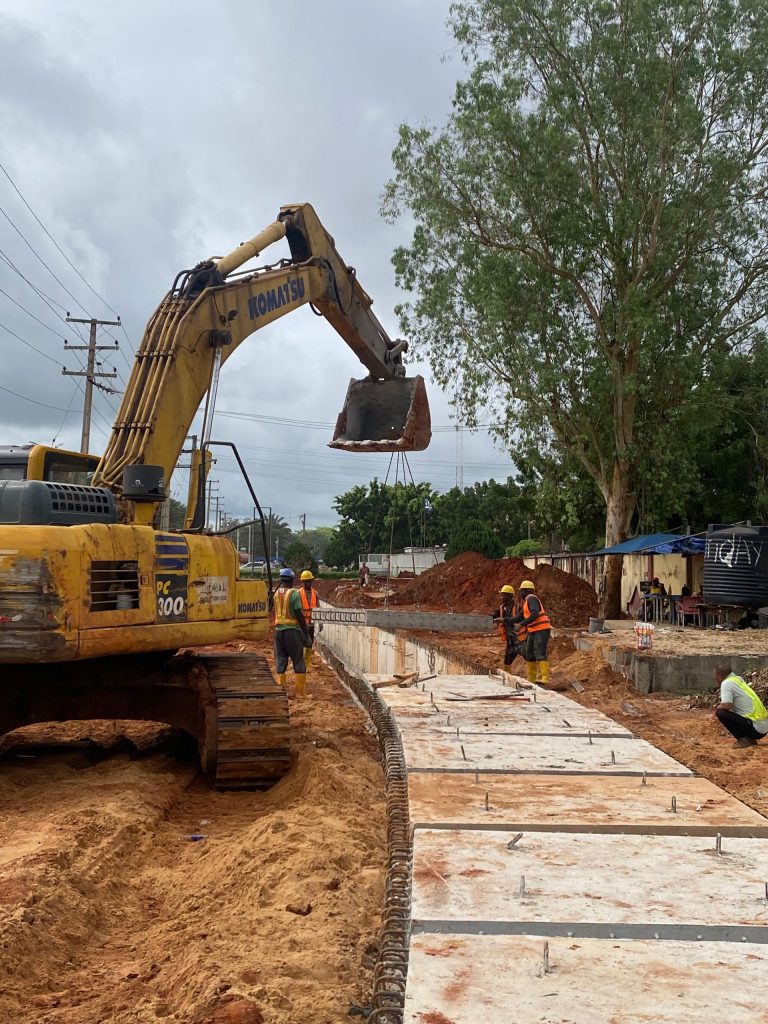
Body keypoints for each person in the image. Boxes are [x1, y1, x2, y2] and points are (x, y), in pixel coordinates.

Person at [273, 567, 312, 698]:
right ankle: (300, 693)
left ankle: (281, 691)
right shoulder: (294, 594)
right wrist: (306, 632)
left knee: (280, 659)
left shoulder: (276, 593)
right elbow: (299, 615)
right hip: (292, 632)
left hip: (278, 632)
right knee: (298, 660)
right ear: (291, 580)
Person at [714, 665, 768, 748]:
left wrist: (718, 707)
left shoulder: (726, 683)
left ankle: (742, 739)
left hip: (756, 729)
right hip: (763, 727)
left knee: (721, 713)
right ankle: (750, 739)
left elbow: (726, 705)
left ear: (719, 676)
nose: (714, 677)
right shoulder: (737, 679)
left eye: (715, 675)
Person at [513, 579, 551, 685]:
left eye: (521, 591)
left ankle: (544, 677)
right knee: (529, 653)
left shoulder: (531, 599)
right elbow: (518, 617)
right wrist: (505, 620)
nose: (519, 593)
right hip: (533, 630)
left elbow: (534, 614)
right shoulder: (526, 603)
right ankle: (531, 678)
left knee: (540, 651)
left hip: (541, 629)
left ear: (525, 591)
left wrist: (521, 624)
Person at [492, 585, 521, 672]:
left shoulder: (518, 607)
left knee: (527, 655)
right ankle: (507, 676)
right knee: (507, 659)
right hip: (510, 638)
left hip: (519, 638)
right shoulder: (501, 608)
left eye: (503, 595)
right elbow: (492, 616)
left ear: (509, 596)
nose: (502, 597)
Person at [299, 569, 319, 669]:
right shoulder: (298, 593)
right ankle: (300, 661)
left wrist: (320, 622)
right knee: (300, 642)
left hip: (311, 623)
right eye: (306, 581)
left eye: (309, 581)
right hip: (301, 623)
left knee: (309, 642)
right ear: (302, 582)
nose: (308, 583)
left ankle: (307, 662)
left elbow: (318, 609)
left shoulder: (315, 593)